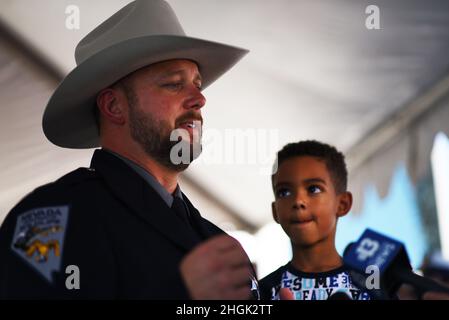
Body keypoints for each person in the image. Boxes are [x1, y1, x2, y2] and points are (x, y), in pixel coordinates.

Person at [0, 0, 257, 299]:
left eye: (197, 85)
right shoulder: (48, 219)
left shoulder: (220, 241)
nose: (199, 99)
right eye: (174, 84)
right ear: (113, 106)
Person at [259, 140, 371, 300]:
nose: (298, 201)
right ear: (275, 211)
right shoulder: (262, 293)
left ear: (342, 204)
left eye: (314, 189)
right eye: (284, 192)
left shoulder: (372, 286)